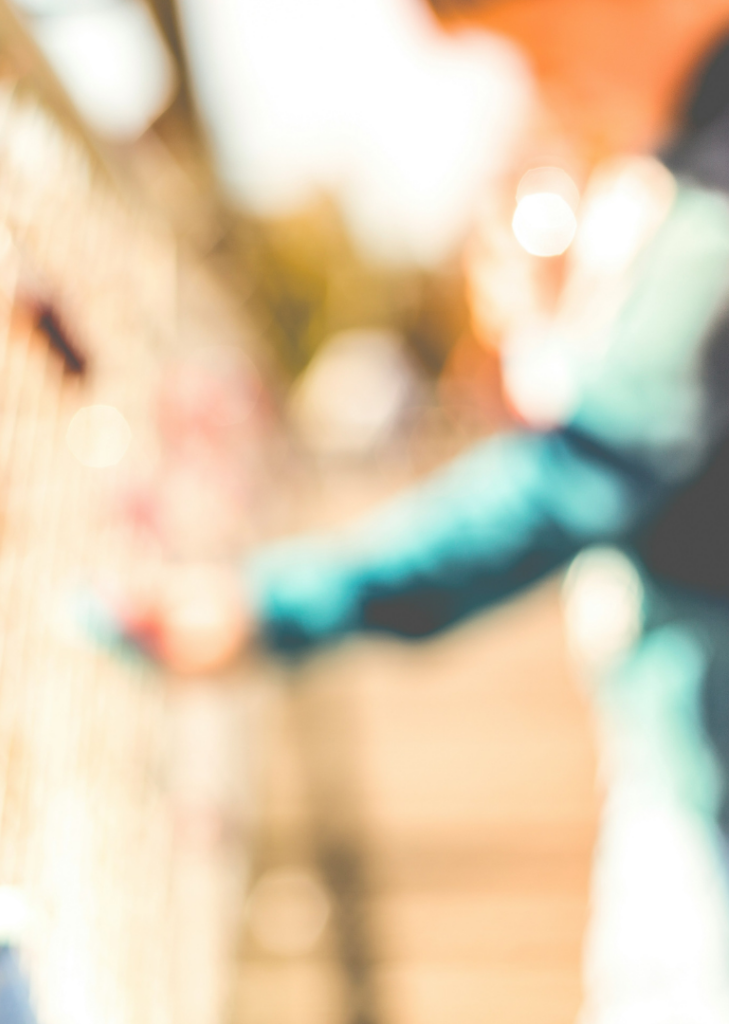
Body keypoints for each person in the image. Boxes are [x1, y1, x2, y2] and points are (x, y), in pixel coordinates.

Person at [125, 0, 729, 1018]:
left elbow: (582, 478)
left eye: (523, 34)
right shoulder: (680, 169)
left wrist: (275, 605)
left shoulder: (708, 196)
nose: (528, 77)